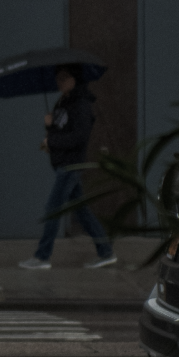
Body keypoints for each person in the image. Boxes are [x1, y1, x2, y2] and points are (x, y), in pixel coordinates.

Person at [18, 65, 116, 269]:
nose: (59, 82)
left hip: (71, 165)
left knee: (52, 209)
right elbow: (60, 130)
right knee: (82, 211)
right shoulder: (63, 101)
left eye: (64, 78)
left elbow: (79, 137)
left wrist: (52, 142)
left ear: (75, 78)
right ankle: (106, 252)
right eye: (57, 78)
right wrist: (48, 126)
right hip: (62, 162)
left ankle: (41, 257)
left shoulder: (81, 104)